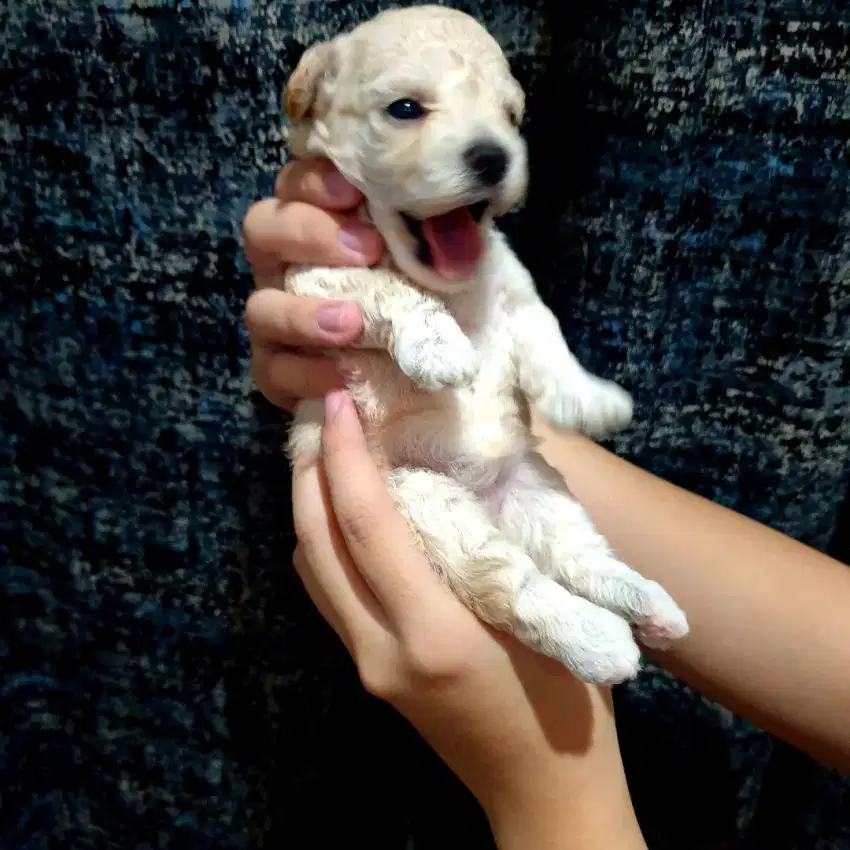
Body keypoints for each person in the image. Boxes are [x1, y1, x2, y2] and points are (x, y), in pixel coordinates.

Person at [241, 157, 850, 849]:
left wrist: (553, 795)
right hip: (440, 423)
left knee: (523, 529)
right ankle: (609, 584)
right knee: (544, 507)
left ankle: (574, 595)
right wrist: (488, 417)